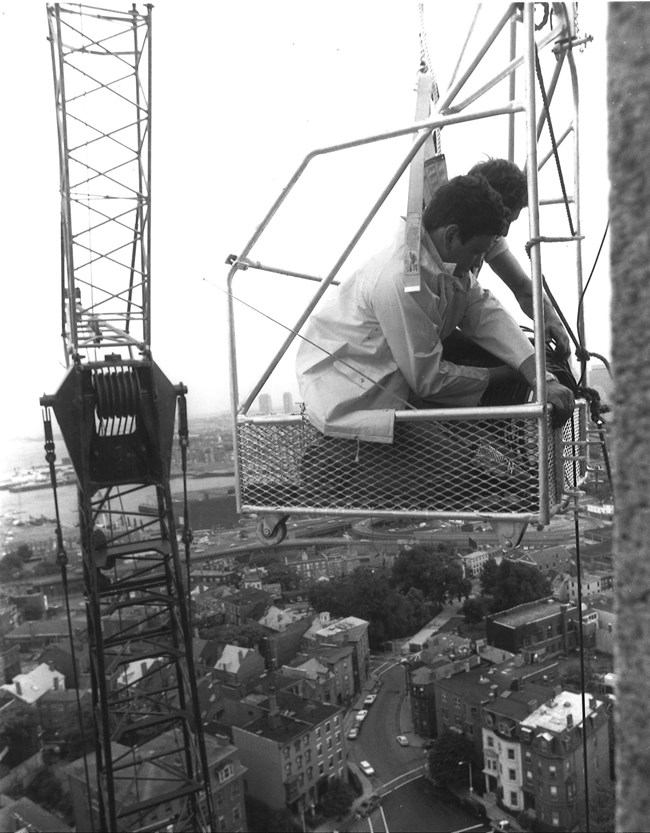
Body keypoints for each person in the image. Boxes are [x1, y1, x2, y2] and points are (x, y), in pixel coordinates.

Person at [296, 174, 575, 445]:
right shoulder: (401, 281)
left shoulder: (447, 267)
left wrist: (538, 374)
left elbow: (485, 312)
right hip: (355, 400)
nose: (478, 261)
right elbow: (428, 379)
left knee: (483, 452)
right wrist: (507, 374)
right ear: (452, 236)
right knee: (465, 468)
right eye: (477, 252)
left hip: (397, 383)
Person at [467, 158, 571, 358]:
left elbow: (522, 287)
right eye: (504, 220)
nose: (504, 232)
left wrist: (550, 317)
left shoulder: (489, 235)